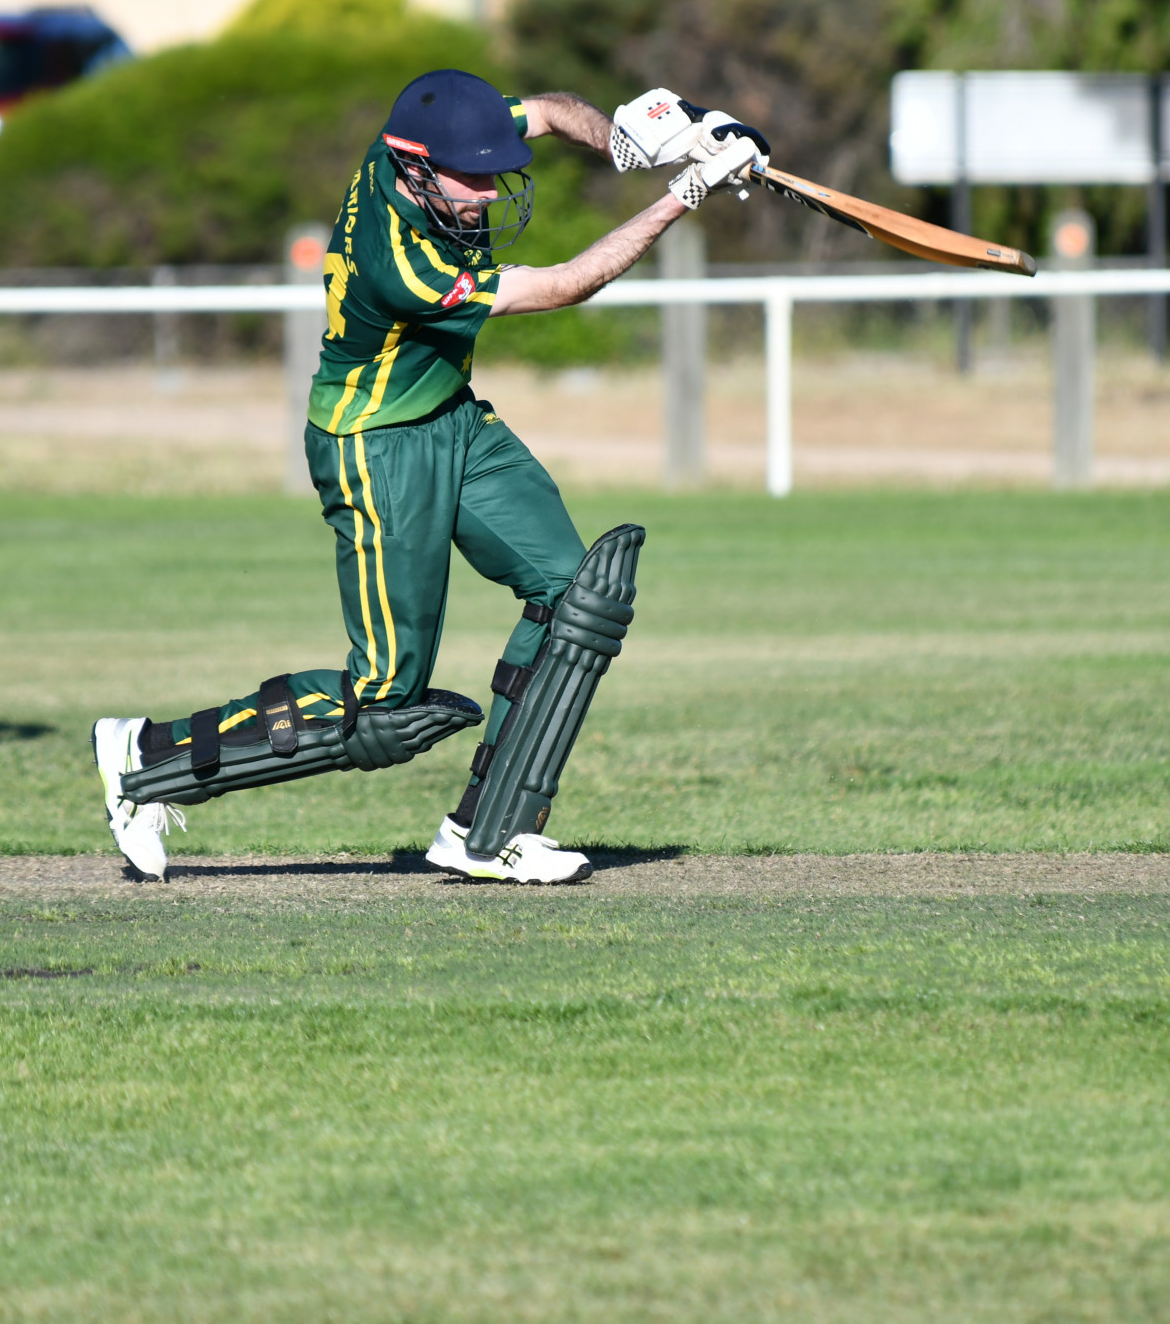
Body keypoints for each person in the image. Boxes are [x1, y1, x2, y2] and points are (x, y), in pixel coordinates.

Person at [93, 73, 766, 883]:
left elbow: (550, 110)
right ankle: (146, 758)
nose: (486, 193)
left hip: (453, 418)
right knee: (384, 702)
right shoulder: (400, 261)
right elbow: (563, 286)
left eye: (492, 173)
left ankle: (489, 832)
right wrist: (684, 191)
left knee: (576, 596)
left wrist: (637, 138)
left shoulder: (432, 134)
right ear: (415, 168)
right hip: (375, 444)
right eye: (470, 178)